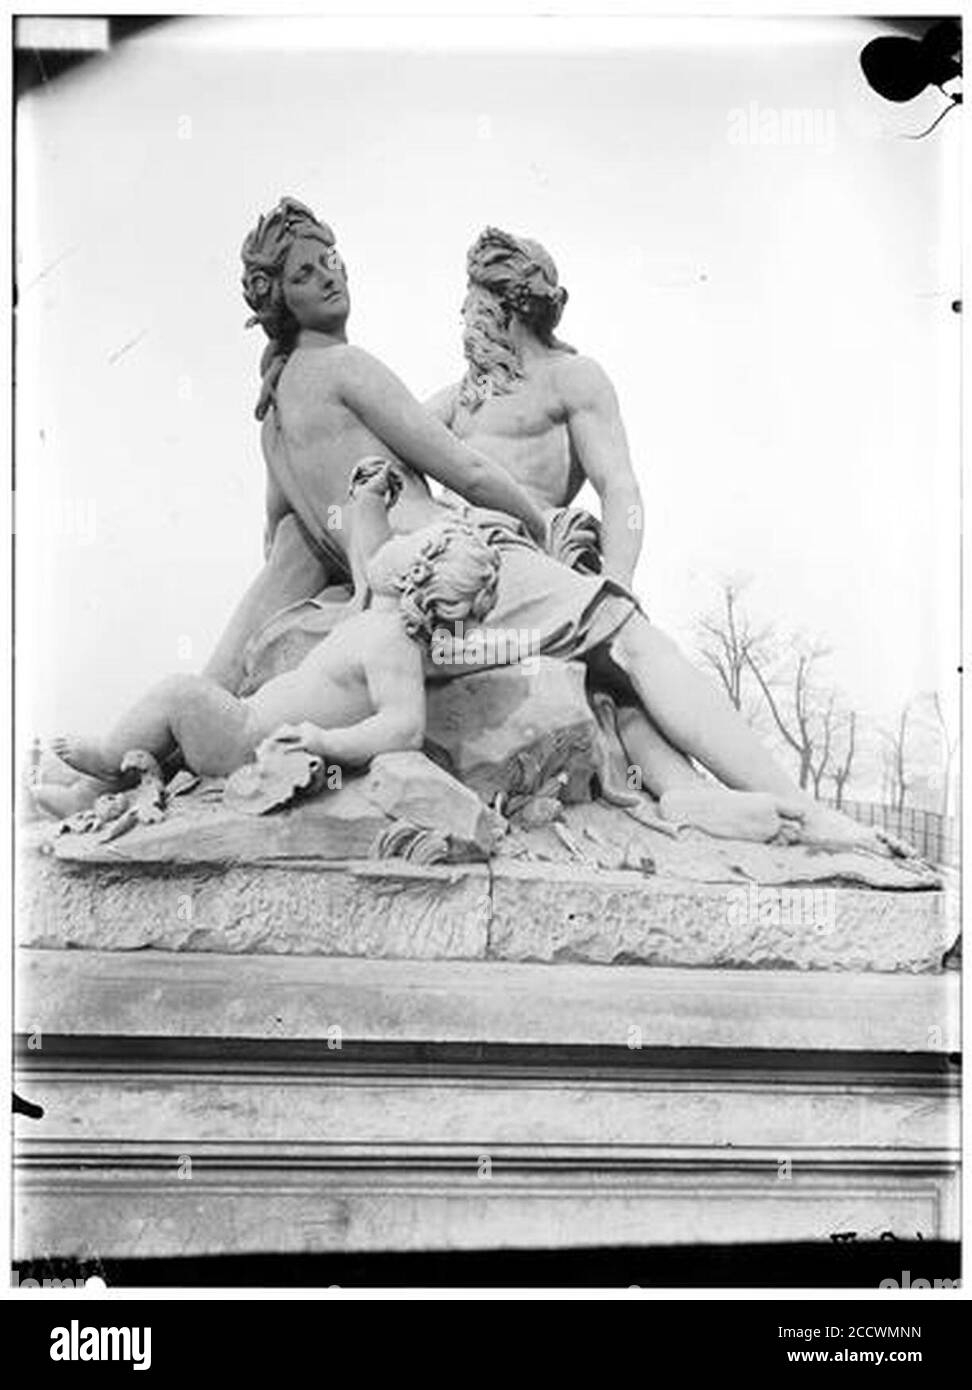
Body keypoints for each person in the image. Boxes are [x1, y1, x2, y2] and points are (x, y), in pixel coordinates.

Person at [425, 226, 895, 848]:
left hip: (536, 569)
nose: (464, 319)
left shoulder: (572, 379)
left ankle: (752, 804)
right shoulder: (454, 403)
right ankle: (727, 800)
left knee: (622, 669)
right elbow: (379, 457)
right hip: (472, 583)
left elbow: (622, 493)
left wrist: (614, 586)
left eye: (472, 304)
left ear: (503, 309)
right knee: (619, 668)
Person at [54, 463, 500, 782]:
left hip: (251, 740)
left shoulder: (390, 641)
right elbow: (371, 550)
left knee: (181, 691)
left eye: (410, 540)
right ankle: (130, 773)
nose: (397, 539)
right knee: (182, 710)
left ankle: (110, 758)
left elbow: (403, 725)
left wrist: (325, 743)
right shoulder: (376, 615)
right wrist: (370, 499)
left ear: (413, 576)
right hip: (247, 724)